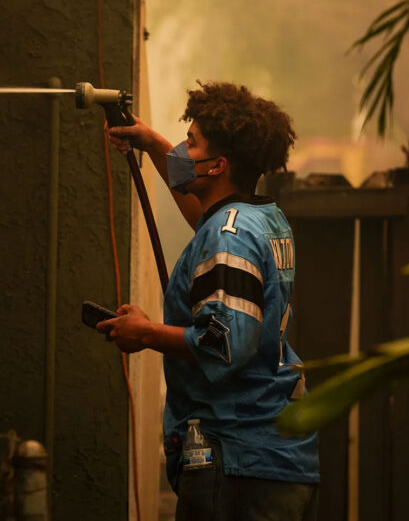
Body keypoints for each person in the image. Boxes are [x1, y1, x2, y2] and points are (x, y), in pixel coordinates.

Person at [97, 81, 319, 520]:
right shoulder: (259, 218)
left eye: (190, 142)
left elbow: (224, 343)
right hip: (271, 458)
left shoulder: (228, 238)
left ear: (218, 165)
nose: (181, 149)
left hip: (237, 462)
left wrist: (145, 333)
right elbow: (206, 215)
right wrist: (152, 142)